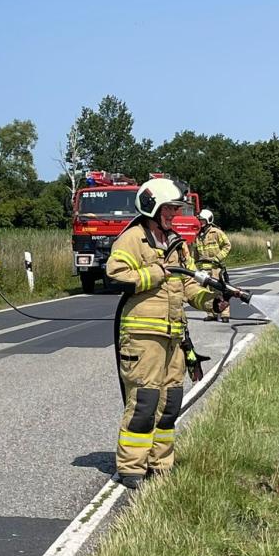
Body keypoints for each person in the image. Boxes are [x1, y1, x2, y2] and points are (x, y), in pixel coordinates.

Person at [105, 178, 228, 489]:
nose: (174, 215)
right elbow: (116, 275)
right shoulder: (133, 239)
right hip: (142, 336)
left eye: (176, 209)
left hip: (174, 334)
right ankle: (132, 466)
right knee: (145, 401)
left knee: (171, 401)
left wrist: (211, 302)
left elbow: (186, 284)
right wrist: (158, 272)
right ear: (152, 207)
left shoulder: (175, 242)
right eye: (170, 209)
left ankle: (160, 463)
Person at [192, 208, 233, 323]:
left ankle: (225, 314)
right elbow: (195, 252)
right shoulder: (198, 236)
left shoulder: (216, 232)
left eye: (203, 220)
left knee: (220, 290)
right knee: (206, 292)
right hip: (203, 269)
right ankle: (212, 313)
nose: (201, 223)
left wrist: (217, 258)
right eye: (200, 220)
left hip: (215, 268)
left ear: (209, 220)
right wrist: (194, 266)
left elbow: (227, 246)